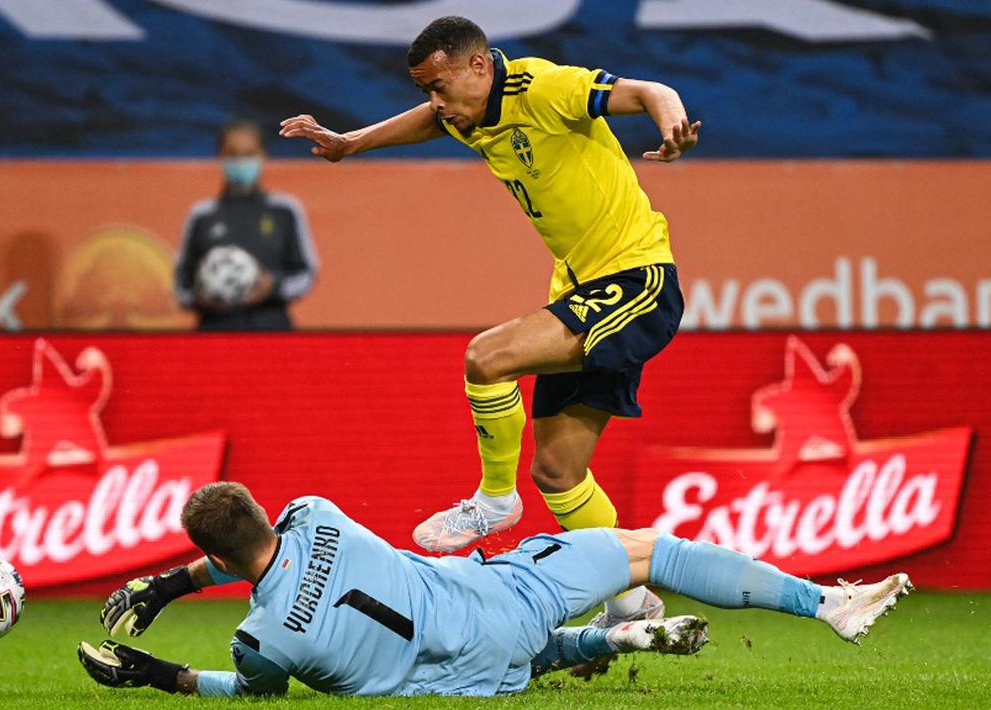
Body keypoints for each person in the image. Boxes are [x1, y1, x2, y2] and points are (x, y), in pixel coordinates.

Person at [278, 14, 697, 647]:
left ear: (479, 65)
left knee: (487, 357)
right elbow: (432, 121)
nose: (436, 103)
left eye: (440, 86)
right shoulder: (467, 110)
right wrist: (349, 143)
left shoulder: (544, 87)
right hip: (581, 288)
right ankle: (632, 602)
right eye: (426, 90)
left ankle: (496, 500)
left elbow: (646, 91)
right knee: (558, 473)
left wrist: (671, 125)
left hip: (637, 281)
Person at [77, 482, 911, 698]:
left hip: (467, 677)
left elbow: (255, 694)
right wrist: (171, 585)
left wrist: (162, 674)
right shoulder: (315, 513)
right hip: (496, 597)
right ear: (265, 512)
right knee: (648, 551)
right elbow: (256, 549)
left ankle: (608, 640)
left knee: (520, 659)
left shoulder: (261, 640)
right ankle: (824, 604)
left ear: (209, 552)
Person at [174, 119, 319, 331]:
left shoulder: (285, 210)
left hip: (271, 330)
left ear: (263, 155)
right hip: (215, 332)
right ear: (220, 155)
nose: (241, 161)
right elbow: (181, 286)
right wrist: (203, 297)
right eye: (233, 154)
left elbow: (306, 274)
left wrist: (273, 286)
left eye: (249, 154)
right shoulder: (202, 215)